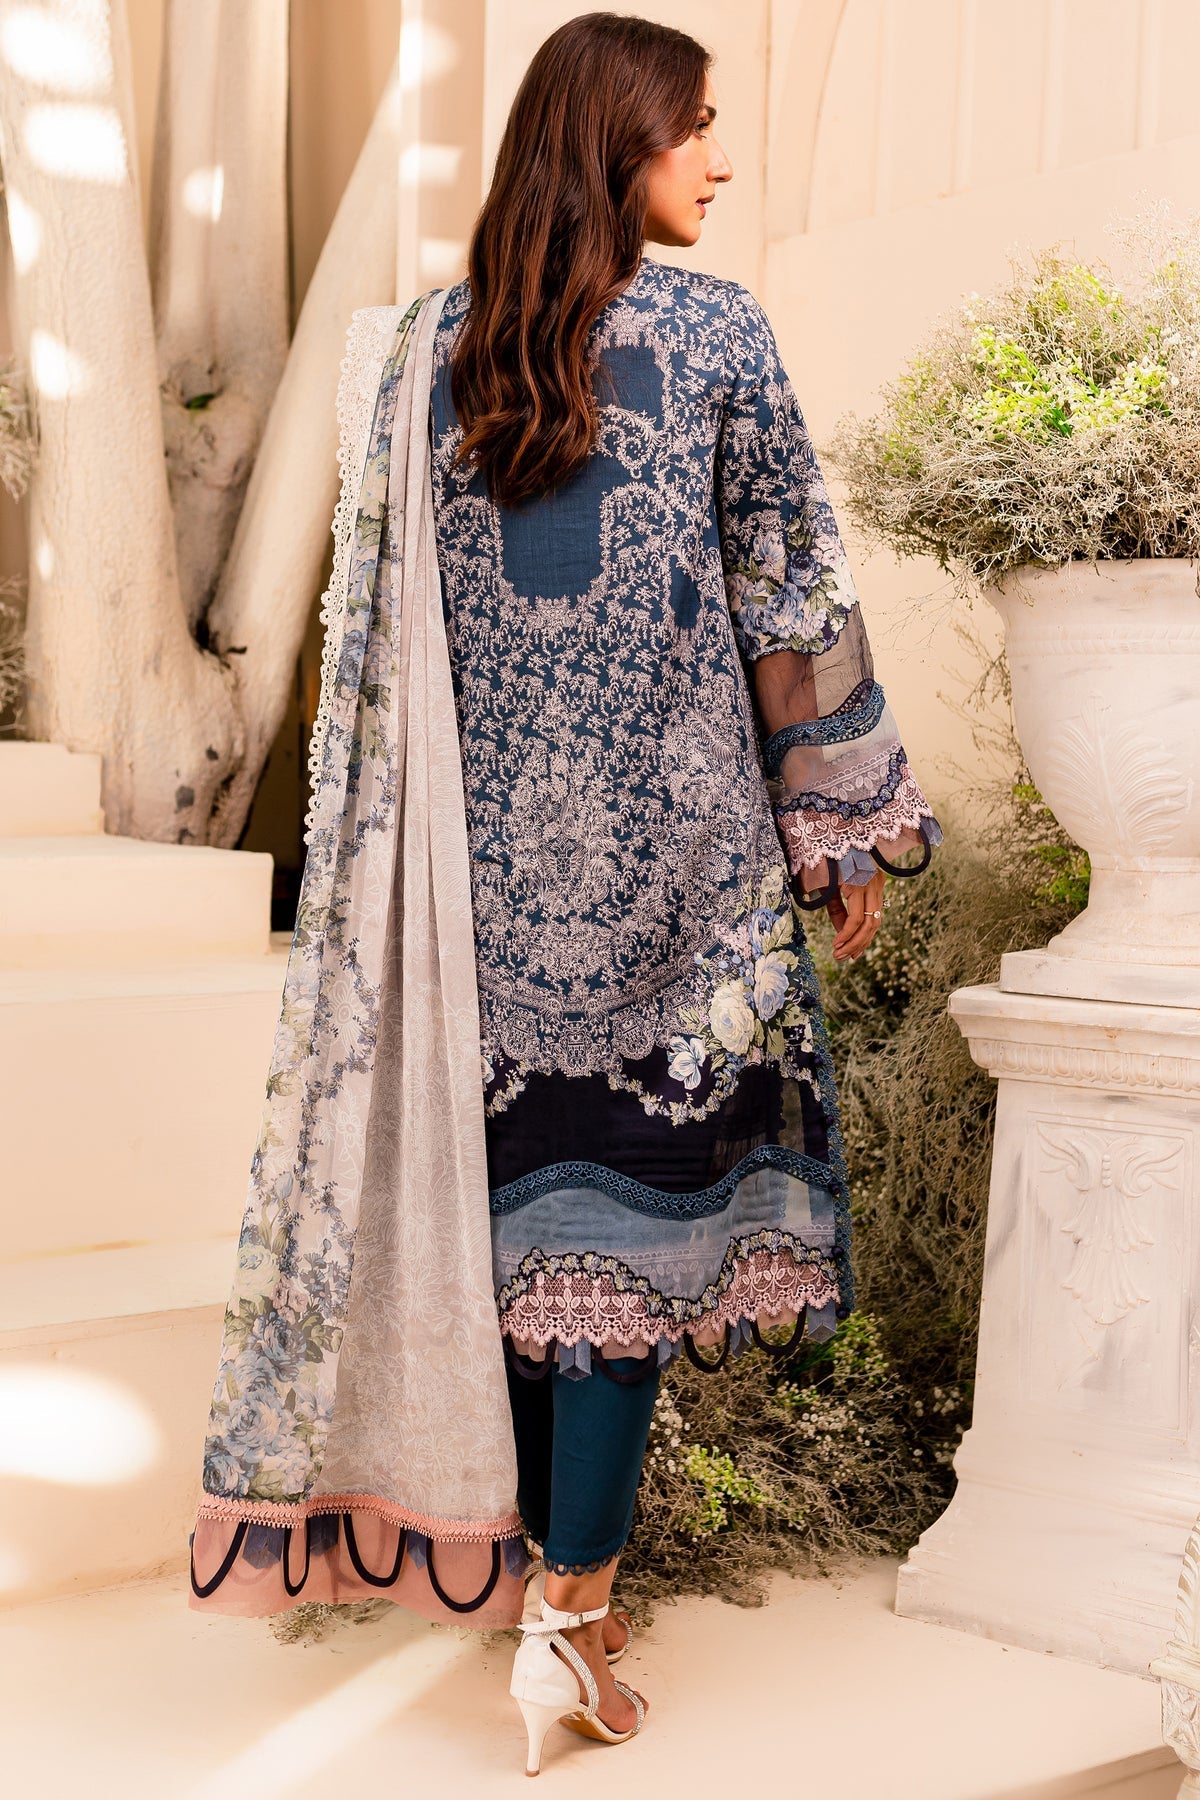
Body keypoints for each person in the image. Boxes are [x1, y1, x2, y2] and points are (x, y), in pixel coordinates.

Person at [188, 12, 940, 1777]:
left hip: (476, 911)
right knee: (631, 1261)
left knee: (527, 1263)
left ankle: (553, 1602)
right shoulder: (719, 333)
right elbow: (786, 594)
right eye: (696, 129)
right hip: (684, 889)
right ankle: (573, 1632)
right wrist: (836, 824)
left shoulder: (420, 358)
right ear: (618, 143)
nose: (721, 163)